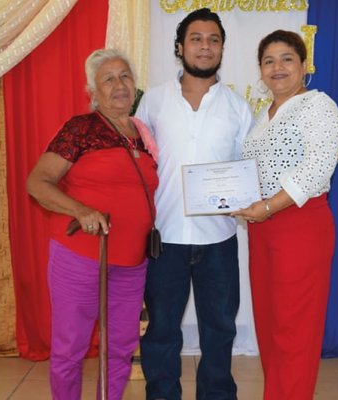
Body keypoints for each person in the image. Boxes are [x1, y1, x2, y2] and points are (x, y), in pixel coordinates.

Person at [26, 49, 158, 400]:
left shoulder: (145, 135)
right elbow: (37, 183)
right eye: (109, 79)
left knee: (120, 348)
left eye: (125, 76)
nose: (119, 85)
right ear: (93, 92)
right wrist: (80, 210)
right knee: (71, 347)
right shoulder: (80, 128)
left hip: (132, 263)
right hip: (81, 257)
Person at [135, 8, 253, 400]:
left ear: (222, 49)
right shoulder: (152, 102)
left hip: (219, 238)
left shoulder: (238, 107)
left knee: (219, 330)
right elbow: (139, 165)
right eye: (197, 39)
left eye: (214, 40)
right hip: (164, 237)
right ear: (179, 47)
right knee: (162, 330)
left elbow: (245, 170)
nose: (205, 47)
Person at [231, 30, 338, 400]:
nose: (277, 68)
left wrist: (266, 206)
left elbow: (316, 170)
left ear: (304, 65)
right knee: (269, 326)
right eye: (268, 61)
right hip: (262, 228)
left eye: (286, 59)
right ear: (260, 71)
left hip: (300, 225)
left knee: (295, 331)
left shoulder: (318, 106)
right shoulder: (262, 116)